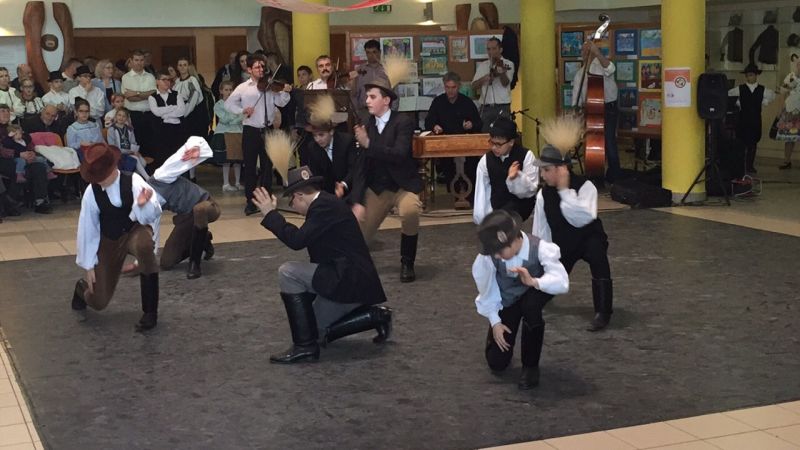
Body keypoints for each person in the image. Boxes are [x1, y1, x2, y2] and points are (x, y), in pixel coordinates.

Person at [252, 166, 391, 364]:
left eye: (291, 202)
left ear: (299, 195)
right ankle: (376, 316)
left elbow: (297, 241)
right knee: (314, 329)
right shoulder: (326, 203)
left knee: (288, 272)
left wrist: (270, 214)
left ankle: (305, 348)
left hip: (348, 281)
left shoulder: (323, 207)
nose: (294, 207)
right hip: (351, 279)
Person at [70, 143, 162, 331]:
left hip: (134, 232)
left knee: (145, 246)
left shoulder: (134, 181)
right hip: (109, 240)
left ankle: (150, 312)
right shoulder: (91, 193)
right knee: (99, 302)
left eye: (103, 176)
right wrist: (89, 265)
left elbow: (153, 214)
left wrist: (142, 204)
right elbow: (88, 228)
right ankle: (81, 290)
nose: (100, 181)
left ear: (113, 168)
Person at [474, 210, 569, 389]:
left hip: (533, 291)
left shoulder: (540, 248)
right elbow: (487, 289)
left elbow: (562, 282)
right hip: (507, 299)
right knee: (497, 363)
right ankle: (495, 339)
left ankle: (531, 367)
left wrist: (534, 281)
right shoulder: (489, 258)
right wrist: (495, 322)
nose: (496, 256)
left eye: (499, 251)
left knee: (531, 307)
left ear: (514, 240)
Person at [532, 135, 614, 332]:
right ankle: (539, 297)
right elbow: (541, 231)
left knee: (598, 258)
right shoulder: (543, 195)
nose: (542, 175)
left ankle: (603, 311)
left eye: (546, 170)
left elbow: (581, 218)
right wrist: (541, 258)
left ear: (562, 169)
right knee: (547, 283)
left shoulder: (586, 187)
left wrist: (564, 191)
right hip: (564, 244)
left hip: (588, 239)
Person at [352, 78, 422, 282]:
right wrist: (357, 200)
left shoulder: (403, 122)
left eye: (372, 97)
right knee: (359, 233)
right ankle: (357, 266)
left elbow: (399, 154)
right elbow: (361, 166)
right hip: (377, 188)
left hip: (403, 186)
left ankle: (407, 262)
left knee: (410, 211)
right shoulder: (367, 124)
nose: (367, 101)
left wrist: (368, 144)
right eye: (367, 97)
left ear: (386, 100)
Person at [224, 53, 291, 215]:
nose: (261, 69)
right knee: (250, 167)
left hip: (268, 129)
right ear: (249, 70)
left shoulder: (270, 85)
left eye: (262, 66)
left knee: (267, 167)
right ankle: (250, 201)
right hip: (251, 130)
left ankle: (266, 200)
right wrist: (242, 110)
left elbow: (281, 102)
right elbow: (228, 104)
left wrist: (285, 91)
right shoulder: (243, 87)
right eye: (257, 67)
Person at [148, 138, 218, 279]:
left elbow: (182, 154)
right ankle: (203, 240)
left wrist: (195, 148)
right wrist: (144, 262)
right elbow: (152, 233)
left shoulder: (160, 177)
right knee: (167, 262)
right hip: (186, 217)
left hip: (207, 205)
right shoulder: (146, 207)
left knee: (199, 209)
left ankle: (195, 264)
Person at [571, 39, 620, 183]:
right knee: (593, 143)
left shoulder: (602, 65)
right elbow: (576, 95)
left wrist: (597, 52)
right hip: (591, 110)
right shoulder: (580, 74)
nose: (584, 53)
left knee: (609, 141)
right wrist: (575, 110)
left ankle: (615, 176)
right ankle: (595, 174)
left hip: (609, 108)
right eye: (583, 50)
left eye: (587, 50)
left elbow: (611, 69)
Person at [425, 71, 483, 193]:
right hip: (445, 143)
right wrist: (435, 126)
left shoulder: (467, 102)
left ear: (459, 86)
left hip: (465, 143)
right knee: (447, 166)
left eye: (453, 87)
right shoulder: (438, 102)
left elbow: (478, 122)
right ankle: (453, 191)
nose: (450, 91)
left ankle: (469, 191)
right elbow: (429, 121)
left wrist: (471, 124)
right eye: (447, 87)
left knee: (471, 166)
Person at [473, 117, 538, 225]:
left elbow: (530, 191)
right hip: (496, 207)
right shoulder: (486, 160)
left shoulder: (526, 156)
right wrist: (483, 219)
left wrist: (515, 178)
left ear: (511, 142)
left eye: (498, 144)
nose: (494, 148)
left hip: (520, 207)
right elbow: (482, 191)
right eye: (492, 143)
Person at [300, 103, 362, 201]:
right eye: (314, 135)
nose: (317, 140)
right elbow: (316, 175)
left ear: (331, 132)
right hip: (328, 193)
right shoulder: (312, 147)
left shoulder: (347, 142)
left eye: (321, 135)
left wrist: (343, 185)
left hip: (351, 191)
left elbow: (354, 169)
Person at [728, 63, 775, 174]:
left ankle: (750, 166)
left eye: (752, 75)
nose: (750, 77)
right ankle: (740, 166)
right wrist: (738, 103)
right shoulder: (740, 88)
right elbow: (729, 95)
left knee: (753, 144)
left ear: (756, 75)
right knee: (741, 143)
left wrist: (764, 102)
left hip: (755, 120)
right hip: (743, 120)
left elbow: (771, 96)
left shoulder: (762, 89)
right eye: (748, 75)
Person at [472, 38, 515, 132]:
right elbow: (474, 86)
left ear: (500, 49)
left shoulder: (508, 64)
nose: (491, 52)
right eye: (488, 49)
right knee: (485, 134)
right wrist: (484, 79)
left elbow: (505, 83)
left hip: (502, 107)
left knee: (503, 134)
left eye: (494, 48)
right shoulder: (483, 65)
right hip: (486, 107)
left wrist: (502, 72)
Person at [122, 50, 157, 158]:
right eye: (136, 60)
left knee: (150, 144)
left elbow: (153, 94)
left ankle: (149, 168)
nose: (139, 62)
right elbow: (130, 98)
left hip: (149, 115)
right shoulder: (126, 77)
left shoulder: (150, 77)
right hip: (133, 115)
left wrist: (136, 93)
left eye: (141, 60)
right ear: (131, 61)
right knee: (135, 144)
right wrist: (145, 94)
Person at [148, 69, 186, 168]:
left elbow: (181, 111)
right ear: (157, 81)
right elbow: (156, 112)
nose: (166, 82)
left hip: (177, 129)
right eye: (163, 79)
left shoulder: (176, 94)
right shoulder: (152, 97)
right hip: (161, 130)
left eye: (168, 79)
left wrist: (165, 115)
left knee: (178, 154)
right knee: (163, 155)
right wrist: (172, 107)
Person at [212, 80, 243, 191]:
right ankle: (226, 184)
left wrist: (236, 118)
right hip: (224, 133)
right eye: (226, 90)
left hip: (238, 132)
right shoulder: (219, 105)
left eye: (231, 90)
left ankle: (238, 182)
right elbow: (224, 119)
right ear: (221, 91)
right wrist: (236, 117)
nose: (229, 92)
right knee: (226, 160)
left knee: (238, 159)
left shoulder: (239, 104)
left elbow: (243, 116)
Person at [350, 39, 392, 122]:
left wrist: (392, 112)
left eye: (374, 52)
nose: (371, 55)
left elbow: (394, 92)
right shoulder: (359, 70)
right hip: (365, 112)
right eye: (368, 52)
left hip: (384, 111)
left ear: (379, 52)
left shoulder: (388, 69)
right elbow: (354, 94)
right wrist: (357, 113)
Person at [106, 108, 148, 178]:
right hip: (119, 153)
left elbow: (133, 142)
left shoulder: (129, 129)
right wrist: (129, 151)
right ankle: (148, 178)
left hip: (130, 151)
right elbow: (112, 146)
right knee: (135, 159)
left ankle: (132, 177)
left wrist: (136, 151)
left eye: (124, 116)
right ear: (116, 116)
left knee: (144, 163)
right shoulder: (112, 129)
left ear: (126, 118)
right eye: (119, 115)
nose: (121, 118)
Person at [174, 57, 208, 141]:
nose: (182, 67)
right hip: (180, 112)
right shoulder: (177, 82)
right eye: (180, 65)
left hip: (192, 114)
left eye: (185, 65)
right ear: (177, 67)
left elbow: (194, 97)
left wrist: (184, 112)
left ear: (188, 67)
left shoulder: (192, 80)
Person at [775, 60, 800, 169]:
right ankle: (787, 161)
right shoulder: (790, 76)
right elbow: (783, 92)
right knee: (789, 137)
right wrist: (780, 109)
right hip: (790, 110)